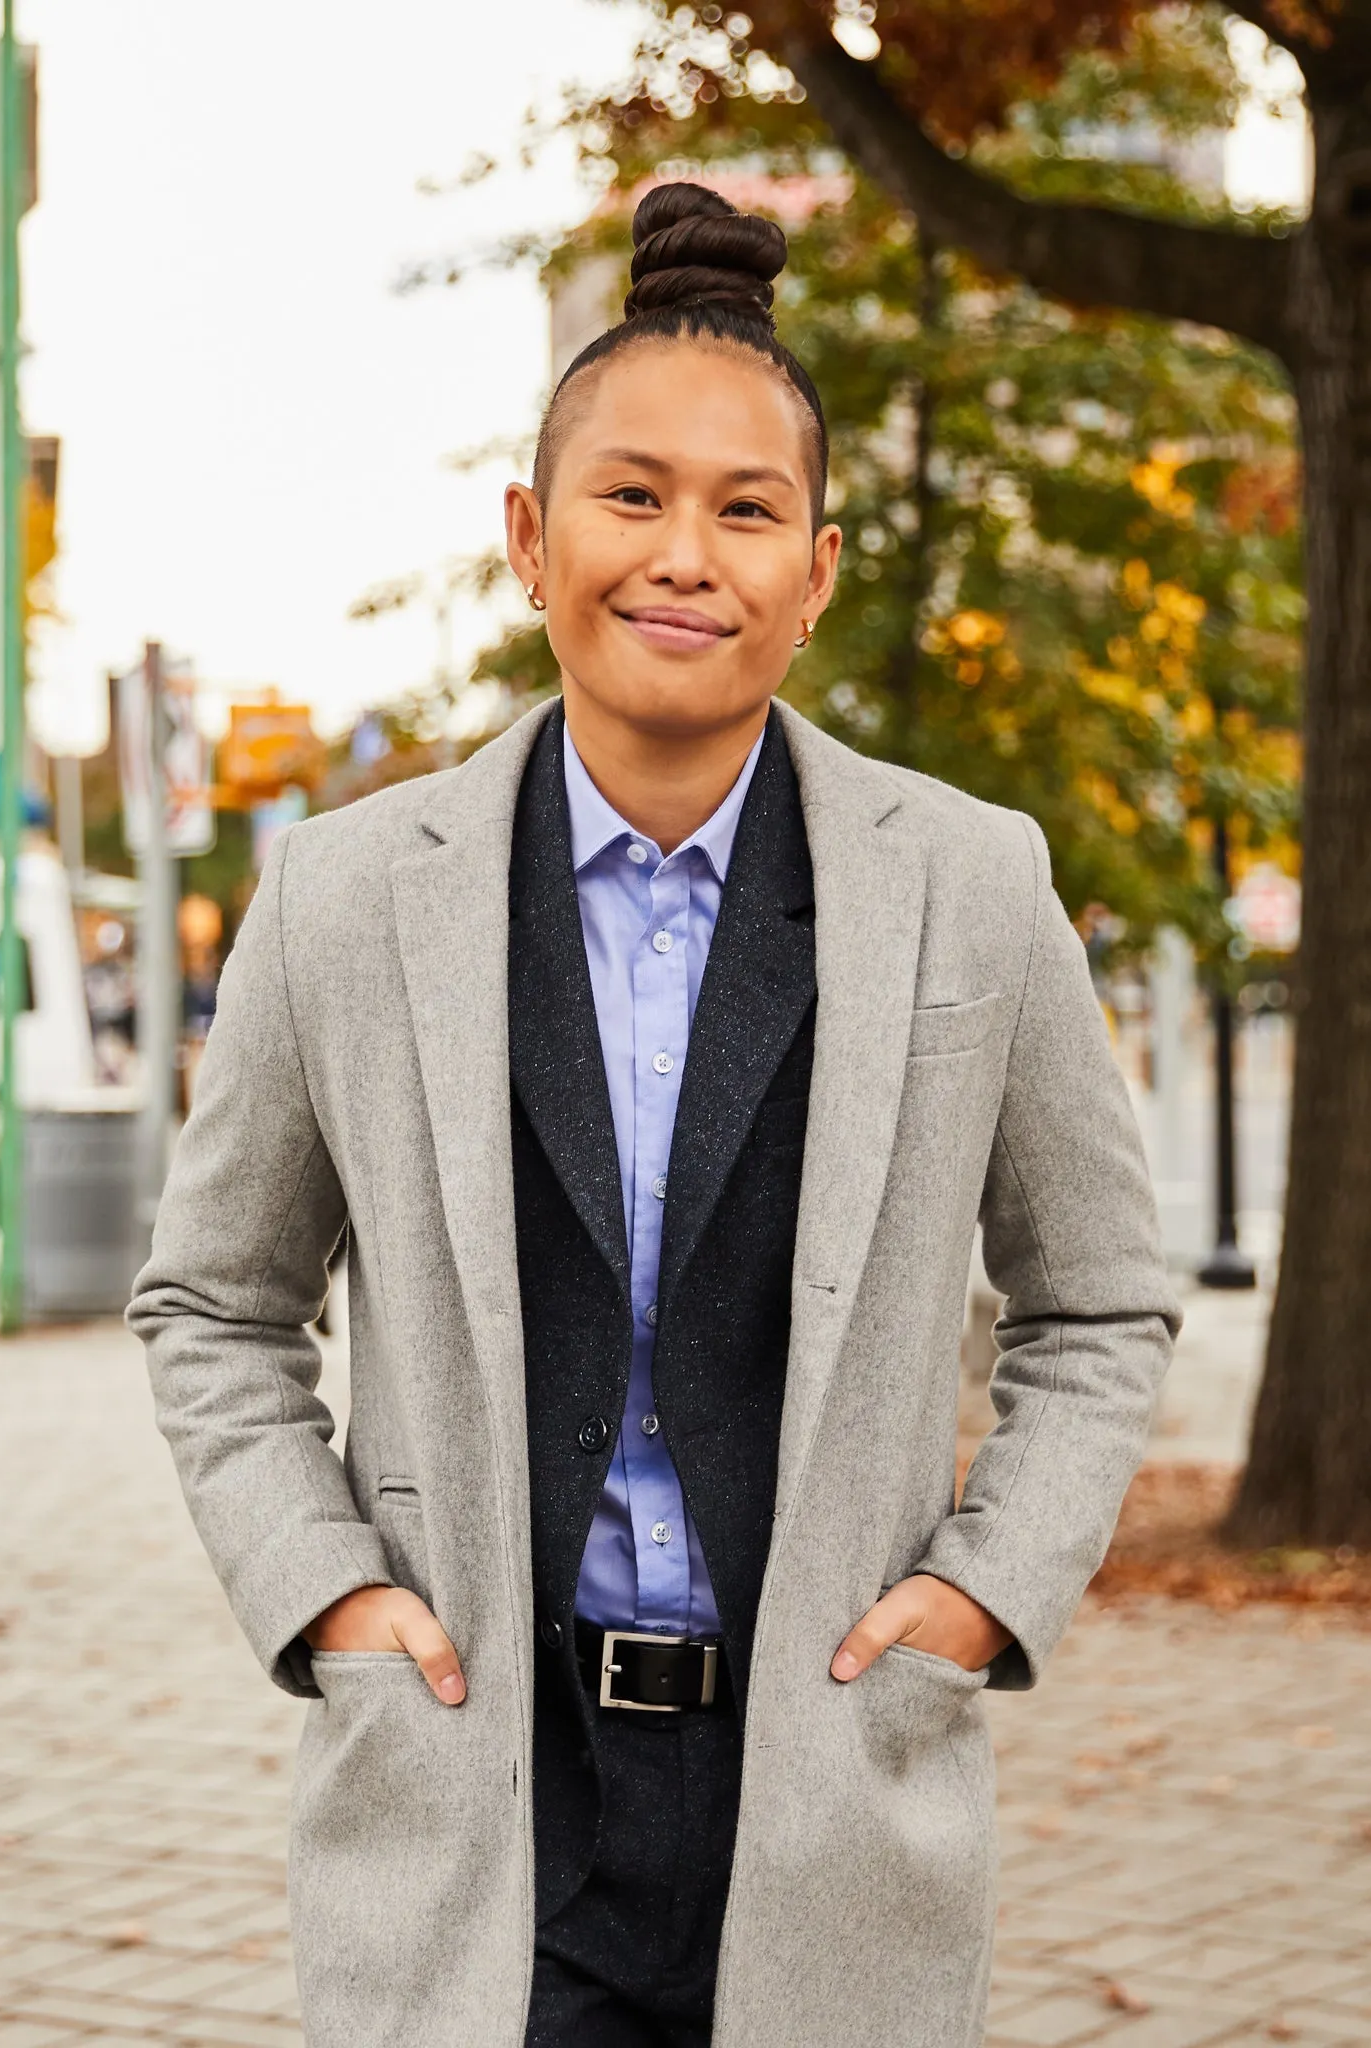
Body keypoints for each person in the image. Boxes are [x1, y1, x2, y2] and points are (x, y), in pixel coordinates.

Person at [128, 180, 1177, 2047]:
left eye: (745, 508)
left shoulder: (972, 888)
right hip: (473, 1788)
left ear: (819, 567)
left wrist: (982, 1596)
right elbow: (214, 1303)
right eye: (631, 496)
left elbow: (1098, 1304)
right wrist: (330, 1598)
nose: (685, 553)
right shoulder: (347, 899)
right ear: (533, 540)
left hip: (831, 1783)